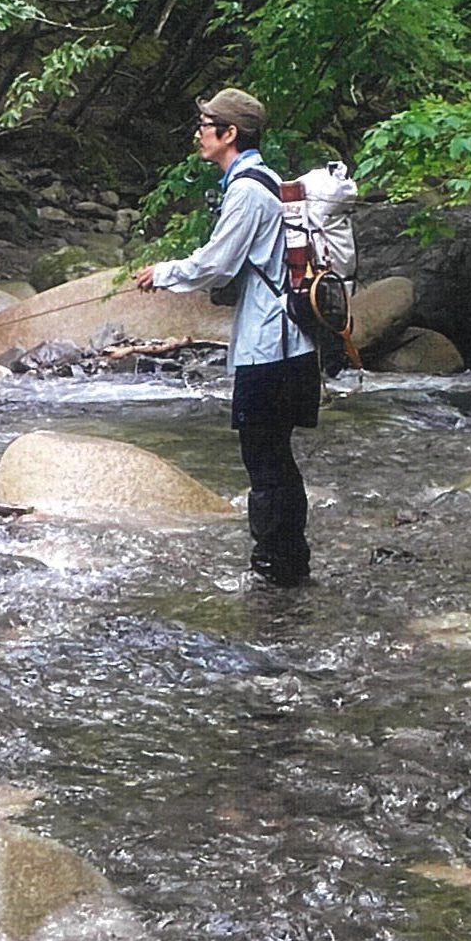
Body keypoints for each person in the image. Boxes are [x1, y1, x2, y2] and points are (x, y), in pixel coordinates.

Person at [131, 88, 320, 587]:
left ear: (229, 133)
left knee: (264, 459)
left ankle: (276, 570)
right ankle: (287, 564)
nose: (198, 132)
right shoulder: (267, 181)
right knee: (275, 457)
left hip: (270, 349)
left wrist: (163, 272)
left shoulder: (247, 191)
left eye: (205, 123)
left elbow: (217, 264)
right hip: (291, 344)